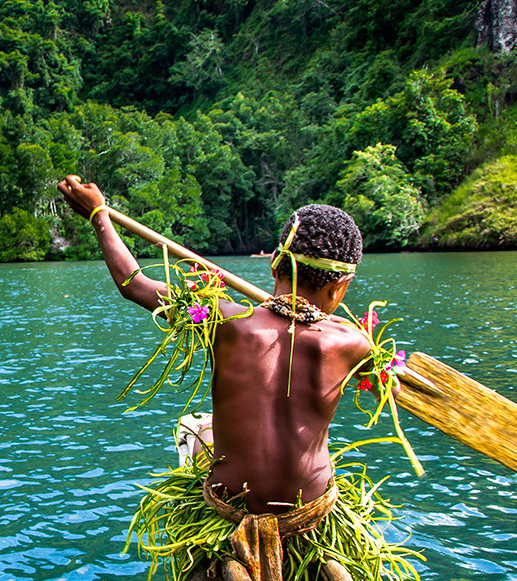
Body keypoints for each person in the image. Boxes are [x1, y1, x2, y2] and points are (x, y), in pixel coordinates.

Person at [57, 175, 413, 581]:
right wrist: (385, 369)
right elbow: (391, 379)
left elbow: (134, 284)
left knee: (203, 442)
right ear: (341, 286)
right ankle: (322, 565)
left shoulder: (224, 320)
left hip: (232, 506)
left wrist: (99, 214)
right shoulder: (354, 343)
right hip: (310, 514)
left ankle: (230, 563)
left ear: (277, 263)